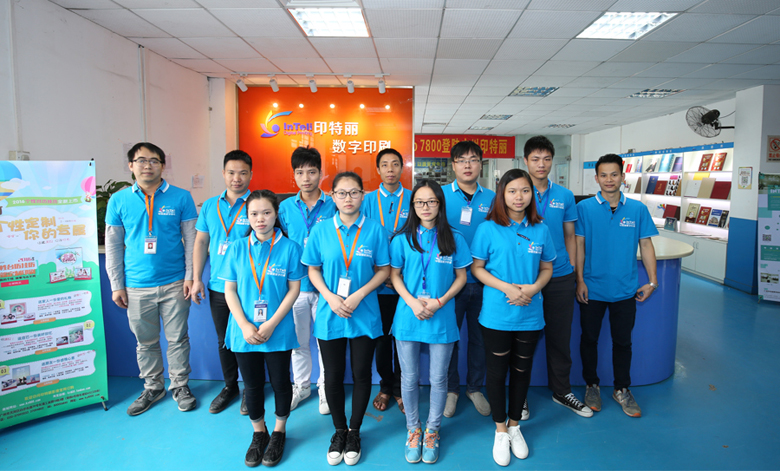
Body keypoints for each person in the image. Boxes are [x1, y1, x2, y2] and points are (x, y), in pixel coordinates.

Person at [301, 172, 390, 466]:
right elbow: (313, 269)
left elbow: (383, 270)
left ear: (363, 195)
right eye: (341, 193)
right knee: (333, 375)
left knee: (362, 374)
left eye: (354, 192)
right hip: (331, 312)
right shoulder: (321, 230)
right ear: (333, 196)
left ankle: (355, 431)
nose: (348, 198)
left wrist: (358, 295)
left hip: (364, 311)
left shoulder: (375, 230)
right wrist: (329, 296)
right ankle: (339, 431)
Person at [105, 142, 198, 416]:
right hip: (136, 286)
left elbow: (192, 240)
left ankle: (180, 386)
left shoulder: (181, 197)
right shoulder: (118, 200)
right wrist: (117, 285)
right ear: (131, 165)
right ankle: (153, 387)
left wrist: (190, 276)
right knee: (145, 342)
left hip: (174, 283)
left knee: (178, 339)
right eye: (141, 160)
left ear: (163, 165)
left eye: (154, 160)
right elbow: (113, 245)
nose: (148, 165)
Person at [470, 169, 555, 466]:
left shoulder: (541, 229)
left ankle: (515, 425)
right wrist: (507, 287)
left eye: (525, 191)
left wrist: (532, 288)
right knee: (496, 373)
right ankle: (500, 430)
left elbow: (547, 267)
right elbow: (477, 268)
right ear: (502, 194)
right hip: (497, 313)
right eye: (512, 191)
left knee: (521, 371)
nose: (519, 197)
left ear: (532, 194)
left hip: (530, 311)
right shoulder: (487, 228)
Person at [220, 190, 305, 467]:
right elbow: (229, 290)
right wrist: (245, 325)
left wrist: (271, 323)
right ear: (247, 217)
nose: (260, 219)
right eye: (254, 214)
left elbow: (294, 290)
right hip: (243, 331)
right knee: (252, 385)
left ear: (276, 214)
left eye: (266, 212)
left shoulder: (290, 248)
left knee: (281, 383)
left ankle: (279, 431)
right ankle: (259, 433)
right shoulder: (236, 248)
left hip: (277, 329)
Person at [390, 179, 470, 464]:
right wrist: (413, 302)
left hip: (441, 314)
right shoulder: (402, 239)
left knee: (438, 378)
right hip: (408, 315)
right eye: (420, 202)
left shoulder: (454, 238)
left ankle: (433, 430)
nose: (426, 207)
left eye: (431, 201)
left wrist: (440, 301)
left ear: (440, 204)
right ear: (413, 206)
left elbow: (461, 276)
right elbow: (394, 275)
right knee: (409, 377)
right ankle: (413, 429)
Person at [575, 153, 658, 418]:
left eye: (614, 174)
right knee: (589, 339)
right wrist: (580, 280)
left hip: (625, 289)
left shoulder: (637, 209)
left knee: (623, 342)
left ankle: (622, 388)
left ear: (623, 177)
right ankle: (592, 385)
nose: (609, 179)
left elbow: (646, 244)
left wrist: (652, 281)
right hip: (592, 288)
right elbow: (579, 245)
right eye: (603, 175)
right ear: (596, 178)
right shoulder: (584, 208)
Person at [522, 136, 592, 419]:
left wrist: (573, 271)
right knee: (523, 339)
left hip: (560, 275)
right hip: (525, 277)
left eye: (546, 159)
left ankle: (562, 391)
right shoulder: (516, 192)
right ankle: (519, 396)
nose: (541, 164)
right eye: (535, 159)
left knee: (560, 337)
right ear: (525, 161)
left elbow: (570, 235)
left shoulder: (564, 195)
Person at [192, 150, 252, 415]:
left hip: (249, 287)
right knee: (224, 339)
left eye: (242, 173)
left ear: (251, 174)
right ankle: (230, 386)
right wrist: (197, 278)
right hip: (218, 286)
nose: (236, 178)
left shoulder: (256, 204)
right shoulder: (209, 206)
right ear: (223, 174)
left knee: (249, 337)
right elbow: (201, 242)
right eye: (231, 172)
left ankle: (251, 388)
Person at [279, 147, 336, 415]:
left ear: (321, 174)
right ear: (293, 175)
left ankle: (325, 388)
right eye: (300, 173)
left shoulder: (334, 205)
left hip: (327, 288)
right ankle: (301, 386)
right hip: (297, 287)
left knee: (325, 342)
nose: (306, 178)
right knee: (299, 343)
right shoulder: (285, 208)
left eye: (311, 172)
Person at [441, 140, 496, 418]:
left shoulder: (494, 198)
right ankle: (451, 390)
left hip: (486, 283)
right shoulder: (439, 195)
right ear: (453, 165)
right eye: (462, 160)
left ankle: (475, 388)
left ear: (480, 165)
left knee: (480, 339)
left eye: (473, 160)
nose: (467, 165)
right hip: (450, 282)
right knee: (449, 339)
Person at [361, 148, 411, 414]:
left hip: (406, 284)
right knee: (381, 340)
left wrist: (398, 274)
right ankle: (385, 386)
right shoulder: (367, 200)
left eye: (395, 164)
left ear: (402, 168)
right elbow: (360, 240)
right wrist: (382, 273)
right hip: (377, 284)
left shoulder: (414, 198)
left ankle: (401, 388)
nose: (390, 169)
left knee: (403, 338)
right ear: (378, 170)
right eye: (385, 165)